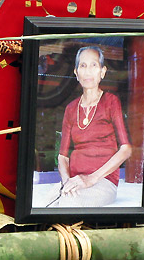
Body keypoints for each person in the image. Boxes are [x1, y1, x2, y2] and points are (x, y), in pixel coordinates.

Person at [49, 46, 132, 208]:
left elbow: (126, 149)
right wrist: (67, 183)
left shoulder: (111, 102)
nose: (88, 72)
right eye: (83, 66)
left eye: (94, 65)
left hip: (103, 182)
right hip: (73, 180)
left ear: (102, 72)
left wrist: (90, 179)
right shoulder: (71, 108)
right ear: (76, 73)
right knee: (45, 203)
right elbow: (62, 157)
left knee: (68, 203)